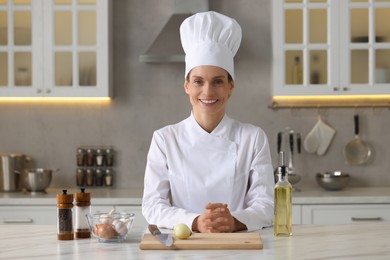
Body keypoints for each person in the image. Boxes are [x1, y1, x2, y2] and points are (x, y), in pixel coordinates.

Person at [142, 11, 274, 233]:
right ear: (186, 86)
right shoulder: (165, 139)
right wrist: (195, 221)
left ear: (231, 86)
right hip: (183, 247)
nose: (207, 91)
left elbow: (266, 205)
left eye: (218, 81)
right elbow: (152, 206)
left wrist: (234, 221)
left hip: (237, 245)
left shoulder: (252, 138)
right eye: (198, 81)